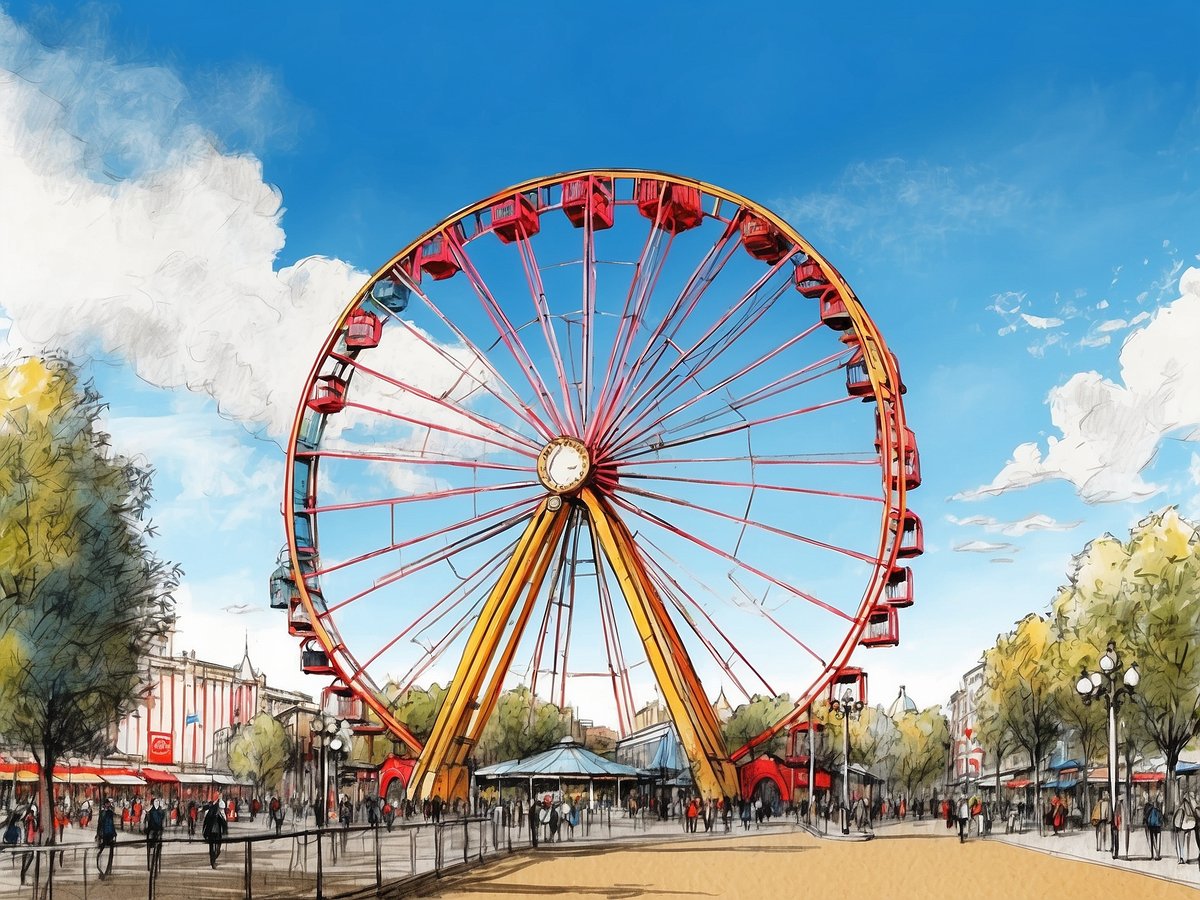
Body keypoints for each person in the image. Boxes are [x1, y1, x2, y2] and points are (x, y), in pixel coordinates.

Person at [95, 799, 118, 879]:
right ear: (105, 804)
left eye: (109, 804)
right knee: (101, 850)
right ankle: (100, 867)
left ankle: (108, 868)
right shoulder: (102, 813)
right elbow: (99, 824)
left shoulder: (110, 813)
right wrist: (98, 834)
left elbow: (112, 823)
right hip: (104, 833)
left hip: (110, 833)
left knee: (110, 851)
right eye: (107, 804)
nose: (108, 805)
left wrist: (114, 832)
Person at [202, 800, 228, 869]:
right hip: (214, 834)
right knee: (214, 849)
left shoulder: (216, 815)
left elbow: (205, 824)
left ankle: (213, 860)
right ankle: (213, 861)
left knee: (215, 849)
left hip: (214, 834)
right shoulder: (212, 815)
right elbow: (206, 824)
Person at [1173, 791, 1197, 864]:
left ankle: (1181, 857)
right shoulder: (1189, 806)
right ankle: (1187, 857)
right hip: (1188, 825)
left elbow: (1177, 817)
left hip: (1181, 826)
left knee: (1180, 843)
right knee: (1187, 842)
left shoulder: (1181, 806)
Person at [145, 799, 165, 876]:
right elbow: (148, 821)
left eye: (158, 801)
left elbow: (162, 819)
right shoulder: (150, 811)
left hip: (158, 830)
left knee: (158, 849)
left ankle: (156, 866)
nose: (157, 802)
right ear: (153, 802)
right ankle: (151, 865)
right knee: (152, 848)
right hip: (152, 830)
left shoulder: (161, 810)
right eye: (155, 801)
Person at [1145, 793, 1164, 860]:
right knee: (1155, 839)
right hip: (1155, 825)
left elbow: (1146, 816)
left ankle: (1153, 855)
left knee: (1153, 839)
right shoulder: (1157, 808)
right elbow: (1160, 817)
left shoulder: (1151, 808)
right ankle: (1155, 854)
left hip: (1152, 825)